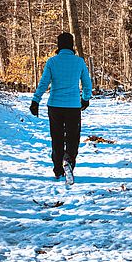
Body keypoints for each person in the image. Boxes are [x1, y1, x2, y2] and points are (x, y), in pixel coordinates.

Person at [29, 32, 92, 184]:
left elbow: (44, 83)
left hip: (55, 106)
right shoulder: (79, 62)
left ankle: (58, 170)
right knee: (72, 137)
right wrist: (85, 99)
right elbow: (87, 84)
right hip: (73, 106)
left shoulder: (52, 62)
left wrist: (35, 100)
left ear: (59, 45)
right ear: (72, 45)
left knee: (56, 138)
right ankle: (68, 160)